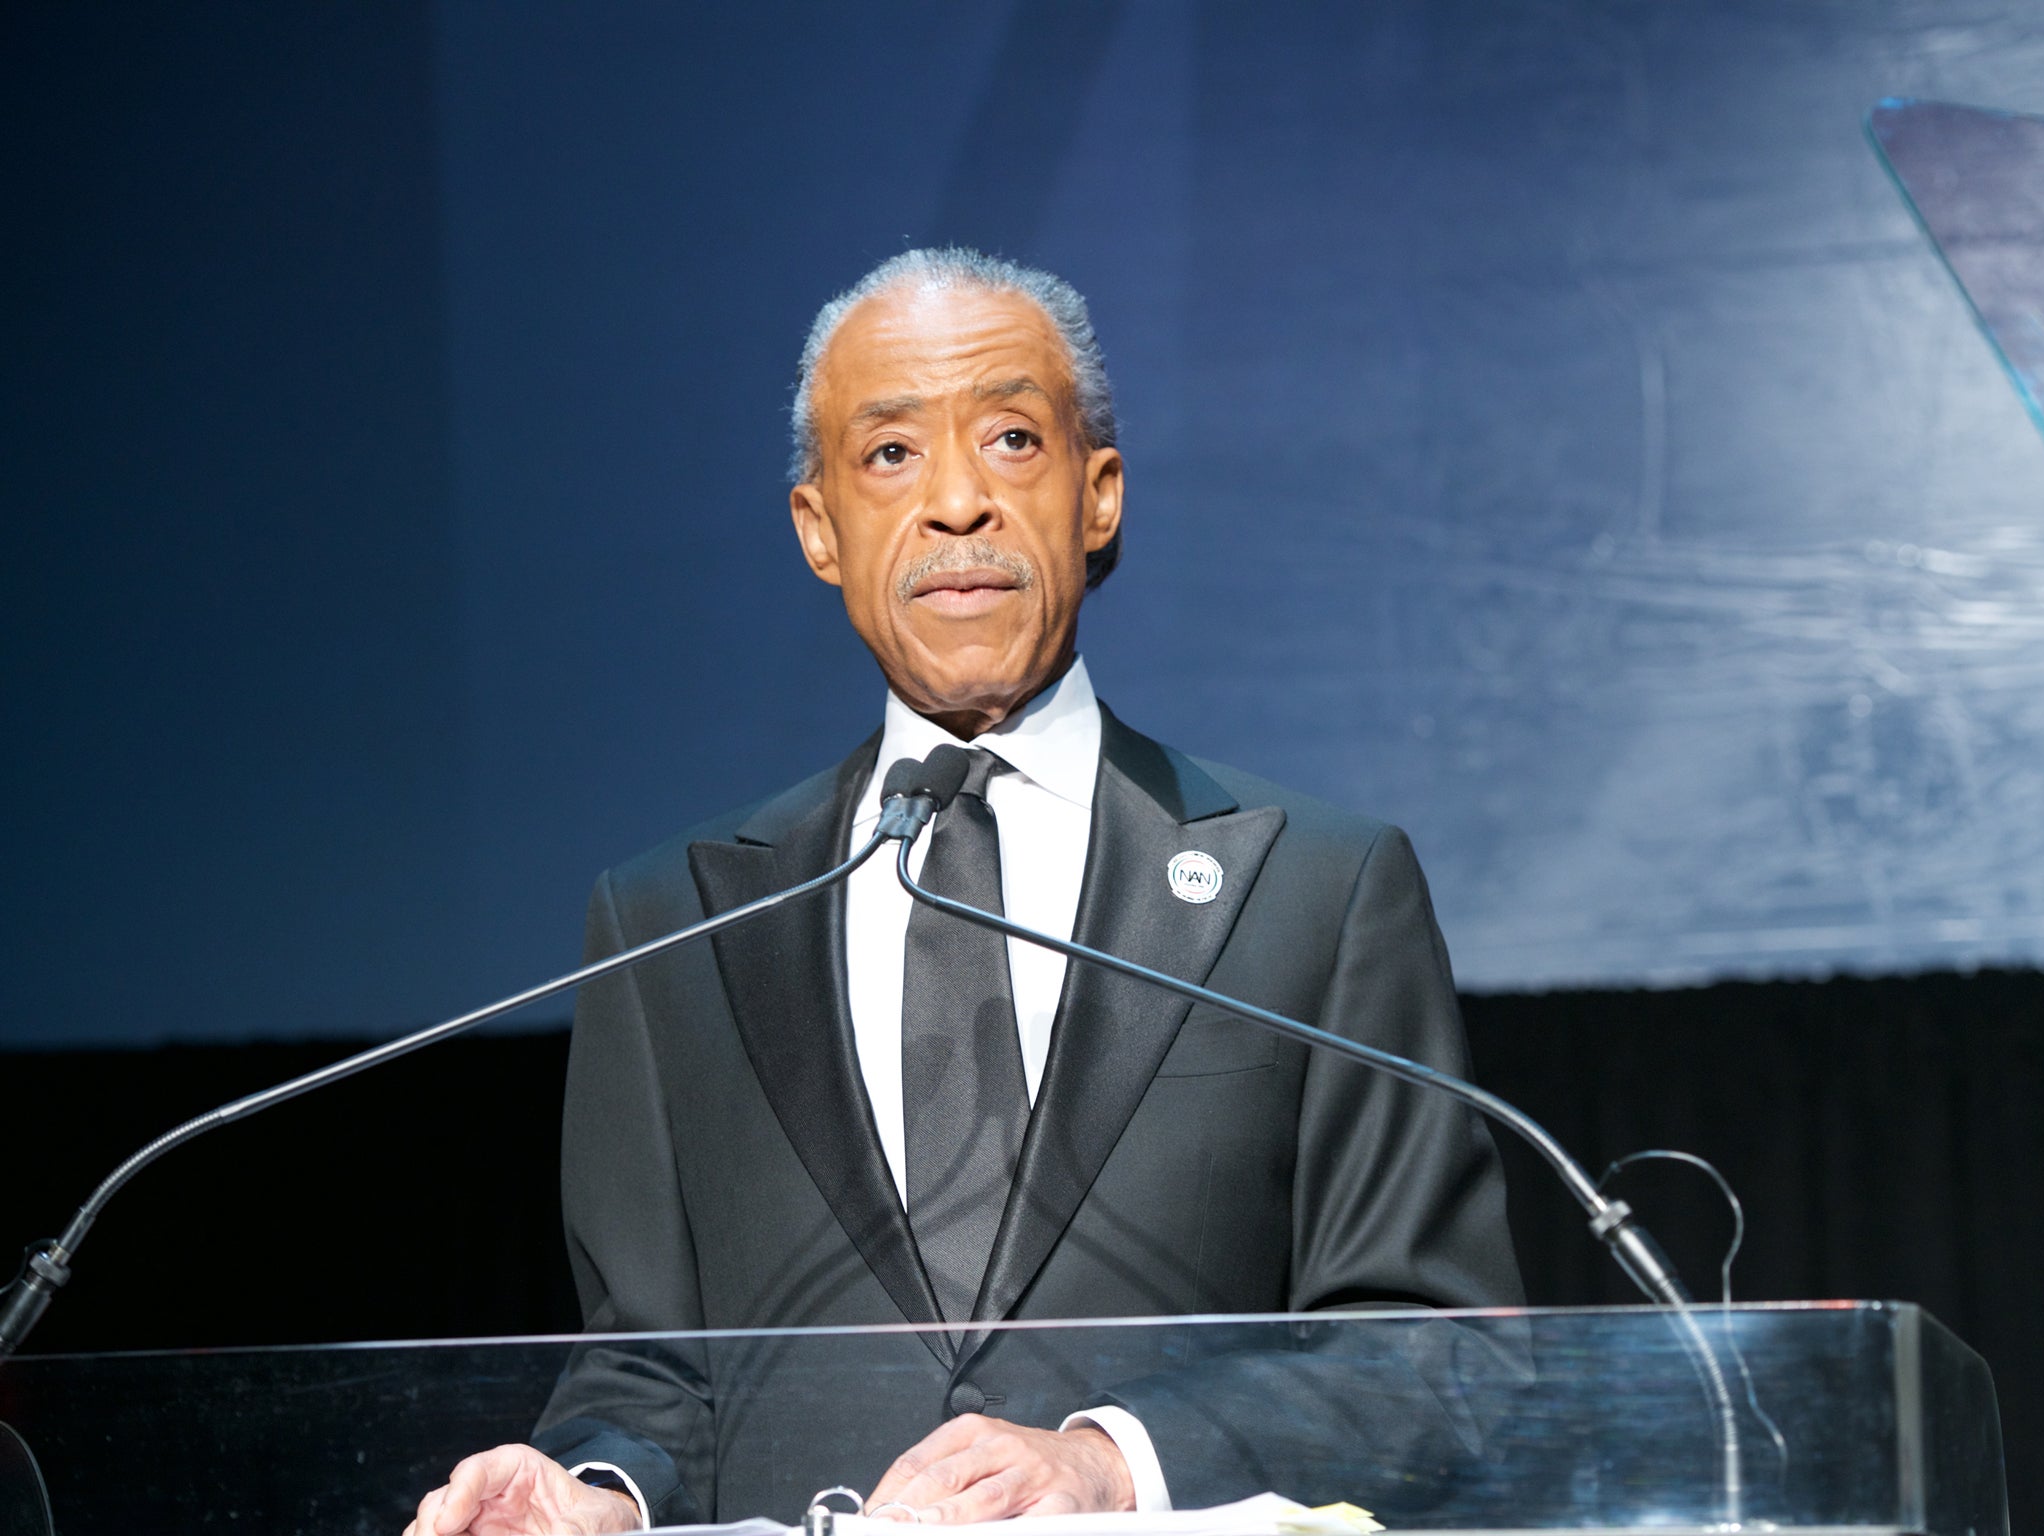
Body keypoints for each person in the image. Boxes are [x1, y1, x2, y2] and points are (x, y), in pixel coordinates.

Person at [406, 249, 1522, 1536]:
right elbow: (649, 1370)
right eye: (887, 456)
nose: (954, 503)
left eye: (1007, 438)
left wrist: (1112, 1463)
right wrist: (596, 1492)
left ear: (1095, 495)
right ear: (817, 528)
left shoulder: (1315, 890)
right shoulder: (675, 925)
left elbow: (1439, 1359)